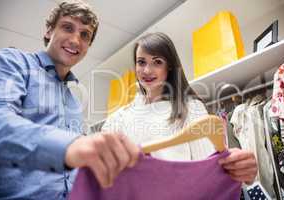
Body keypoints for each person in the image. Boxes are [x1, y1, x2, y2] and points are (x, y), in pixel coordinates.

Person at [0, 1, 140, 199]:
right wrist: (70, 146)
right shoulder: (13, 62)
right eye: (68, 27)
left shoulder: (73, 102)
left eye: (84, 35)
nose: (75, 40)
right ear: (48, 31)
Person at [102, 32, 258, 184]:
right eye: (141, 62)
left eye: (157, 62)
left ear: (169, 66)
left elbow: (209, 170)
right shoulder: (118, 119)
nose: (147, 70)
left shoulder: (191, 108)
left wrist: (237, 168)